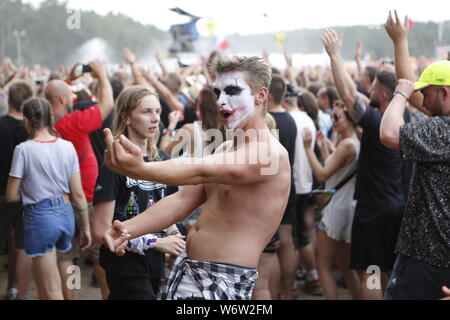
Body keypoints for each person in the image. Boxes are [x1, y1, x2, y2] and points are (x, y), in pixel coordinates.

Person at [102, 55, 290, 300]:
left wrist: (139, 169)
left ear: (261, 95)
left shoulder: (269, 154)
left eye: (232, 91)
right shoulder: (225, 148)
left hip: (223, 279)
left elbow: (200, 169)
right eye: (217, 92)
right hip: (189, 271)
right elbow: (181, 202)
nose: (221, 101)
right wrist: (126, 230)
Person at [322, 28, 411, 300]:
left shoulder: (376, 123)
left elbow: (350, 97)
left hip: (373, 211)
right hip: (395, 208)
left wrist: (335, 55)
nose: (367, 92)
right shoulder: (408, 118)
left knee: (369, 274)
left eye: (372, 89)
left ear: (383, 96)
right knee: (384, 272)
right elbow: (356, 97)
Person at [92, 86, 185, 300]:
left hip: (155, 265)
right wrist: (157, 242)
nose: (155, 119)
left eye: (158, 112)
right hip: (124, 265)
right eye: (147, 112)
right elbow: (100, 230)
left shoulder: (162, 159)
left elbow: (169, 210)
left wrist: (174, 236)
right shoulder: (114, 164)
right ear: (125, 117)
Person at [380, 18, 450, 299]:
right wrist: (400, 42)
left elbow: (388, 134)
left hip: (428, 256)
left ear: (444, 93)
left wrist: (399, 93)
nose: (421, 100)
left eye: (427, 94)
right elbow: (418, 95)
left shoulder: (444, 130)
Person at [5, 98, 91, 300]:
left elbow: (10, 195)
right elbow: (78, 193)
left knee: (52, 289)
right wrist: (86, 226)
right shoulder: (67, 146)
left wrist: (29, 192)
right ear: (50, 118)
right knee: (57, 271)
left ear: (26, 120)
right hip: (66, 213)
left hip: (40, 217)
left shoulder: (24, 150)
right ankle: (72, 295)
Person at [44, 59, 114, 300]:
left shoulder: (47, 122)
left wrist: (70, 80)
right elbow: (106, 105)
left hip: (60, 198)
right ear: (64, 100)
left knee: (66, 256)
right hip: (86, 197)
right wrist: (102, 75)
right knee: (99, 255)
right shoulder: (71, 124)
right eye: (69, 94)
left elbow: (55, 94)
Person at [302, 106, 361, 300]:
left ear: (350, 120)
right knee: (344, 266)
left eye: (337, 117)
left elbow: (322, 174)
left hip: (336, 209)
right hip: (347, 205)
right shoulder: (354, 142)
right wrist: (326, 148)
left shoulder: (346, 145)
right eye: (332, 116)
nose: (333, 120)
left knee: (324, 266)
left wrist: (307, 147)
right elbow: (336, 170)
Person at [284, 86, 322, 296]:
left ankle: (306, 277)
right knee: (303, 232)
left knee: (295, 236)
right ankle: (311, 275)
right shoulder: (307, 118)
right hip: (306, 182)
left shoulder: (288, 119)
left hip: (294, 184)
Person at [0, 81, 33, 300]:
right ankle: (17, 290)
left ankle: (14, 289)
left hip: (1, 193)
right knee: (20, 244)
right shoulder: (32, 129)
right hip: (24, 194)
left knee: (15, 243)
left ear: (8, 100)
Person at [267, 75, 298, 300]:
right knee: (287, 241)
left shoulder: (265, 121)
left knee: (270, 249)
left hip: (269, 189)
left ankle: (270, 293)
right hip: (288, 185)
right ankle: (287, 292)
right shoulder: (290, 119)